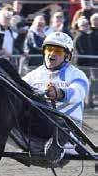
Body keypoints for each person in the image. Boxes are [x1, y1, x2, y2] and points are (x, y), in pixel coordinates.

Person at [23, 32, 89, 161]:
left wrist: (59, 93)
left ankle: (60, 142)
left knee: (58, 123)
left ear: (67, 55)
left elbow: (78, 92)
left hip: (67, 131)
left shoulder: (77, 75)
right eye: (49, 49)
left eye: (58, 51)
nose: (52, 54)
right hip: (40, 127)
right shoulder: (34, 75)